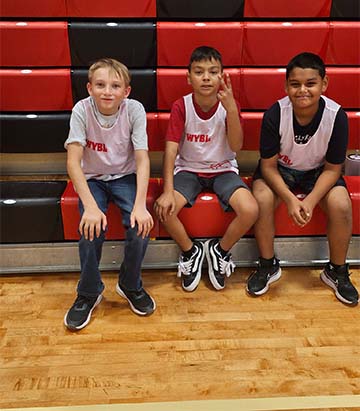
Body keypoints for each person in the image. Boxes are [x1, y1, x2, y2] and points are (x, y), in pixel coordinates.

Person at [247, 52, 358, 306]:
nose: (302, 90)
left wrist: (308, 201)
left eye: (310, 83)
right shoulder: (275, 113)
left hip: (319, 171)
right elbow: (268, 166)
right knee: (261, 199)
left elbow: (333, 169)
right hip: (280, 171)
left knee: (341, 204)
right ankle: (267, 265)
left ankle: (336, 270)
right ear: (286, 86)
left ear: (324, 84)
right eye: (295, 84)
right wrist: (289, 199)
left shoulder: (337, 116)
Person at [154, 46, 259, 292]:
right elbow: (170, 150)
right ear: (188, 77)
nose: (206, 77)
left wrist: (232, 109)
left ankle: (219, 251)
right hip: (188, 171)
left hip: (223, 170)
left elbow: (237, 146)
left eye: (213, 72)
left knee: (251, 209)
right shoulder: (181, 106)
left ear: (222, 76)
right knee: (164, 210)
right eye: (199, 72)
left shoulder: (230, 105)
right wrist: (168, 190)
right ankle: (191, 252)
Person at [64, 58, 156, 331]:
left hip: (124, 176)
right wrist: (91, 207)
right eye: (101, 85)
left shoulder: (134, 110)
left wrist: (140, 205)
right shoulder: (81, 110)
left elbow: (142, 159)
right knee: (90, 229)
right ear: (90, 87)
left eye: (115, 85)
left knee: (141, 226)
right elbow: (72, 162)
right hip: (92, 178)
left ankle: (130, 284)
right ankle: (89, 291)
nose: (107, 91)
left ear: (126, 91)